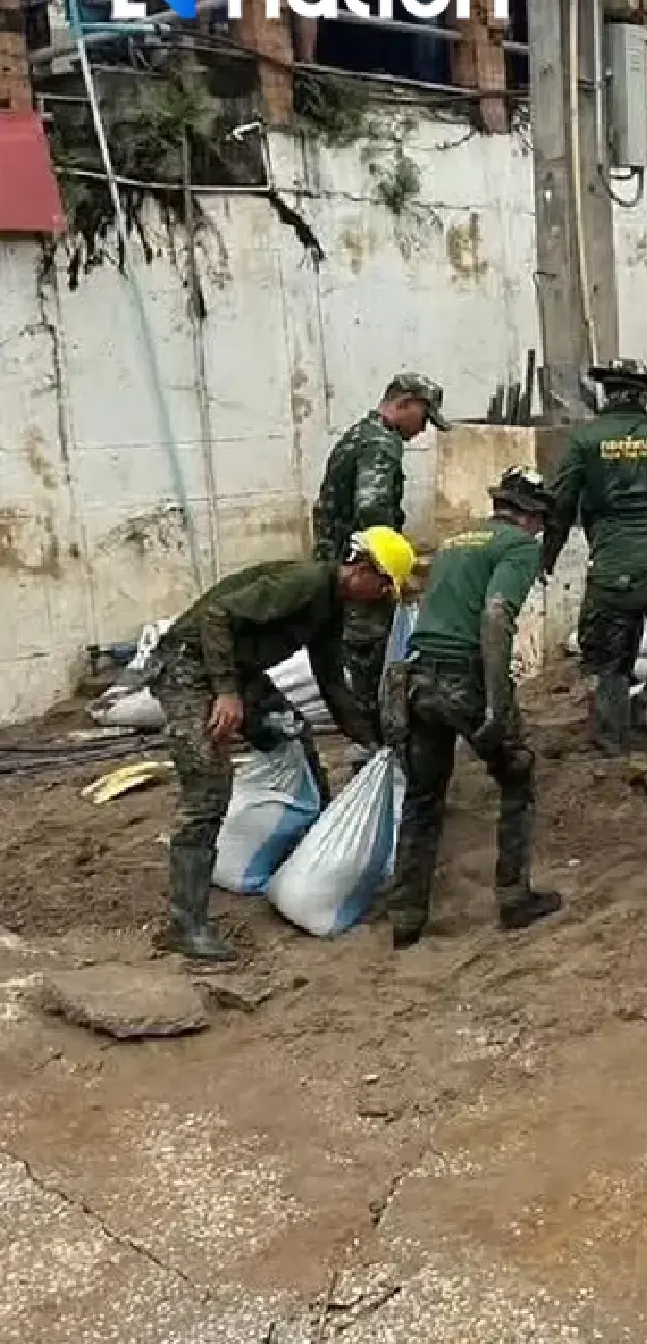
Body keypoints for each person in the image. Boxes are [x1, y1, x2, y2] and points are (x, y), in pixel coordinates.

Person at [151, 528, 413, 960]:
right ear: (363, 570)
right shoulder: (305, 584)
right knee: (208, 788)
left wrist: (376, 743)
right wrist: (227, 692)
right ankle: (187, 923)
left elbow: (331, 683)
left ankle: (304, 843)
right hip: (188, 668)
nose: (382, 595)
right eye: (383, 584)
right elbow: (217, 615)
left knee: (290, 729)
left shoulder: (331, 608)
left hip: (236, 672)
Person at [387, 467, 564, 949]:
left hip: (419, 679)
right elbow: (494, 615)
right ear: (530, 516)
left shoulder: (457, 541)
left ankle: (406, 915)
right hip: (464, 678)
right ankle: (513, 896)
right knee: (517, 776)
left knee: (424, 797)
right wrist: (498, 702)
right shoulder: (518, 547)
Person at [541, 358, 647, 752]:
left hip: (612, 571)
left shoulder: (585, 440)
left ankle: (611, 746)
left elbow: (561, 505)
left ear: (607, 393)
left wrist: (548, 555)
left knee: (610, 665)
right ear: (643, 395)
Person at [312, 372, 448, 731]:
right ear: (404, 404)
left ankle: (367, 733)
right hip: (361, 575)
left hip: (338, 567)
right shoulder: (380, 444)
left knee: (357, 656)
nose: (423, 430)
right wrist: (393, 569)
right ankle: (377, 740)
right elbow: (372, 512)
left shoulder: (360, 433)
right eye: (424, 417)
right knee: (371, 657)